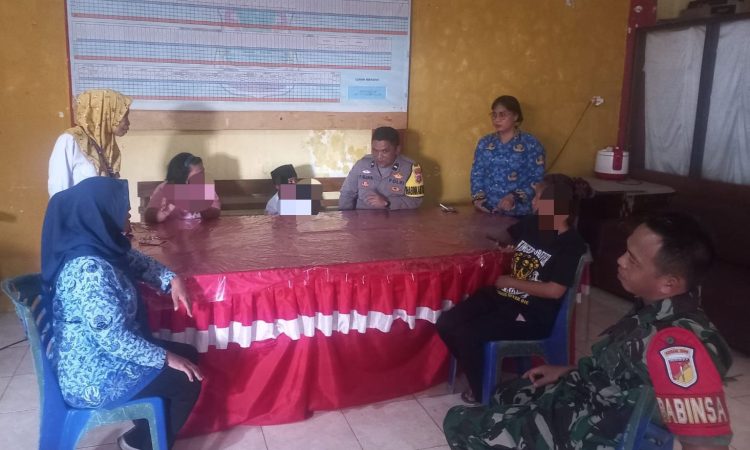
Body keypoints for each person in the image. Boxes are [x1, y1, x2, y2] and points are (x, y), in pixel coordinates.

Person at [443, 212, 733, 450]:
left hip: (590, 434)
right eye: (626, 251)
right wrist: (569, 370)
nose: (620, 260)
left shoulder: (680, 346)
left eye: (633, 260)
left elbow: (706, 446)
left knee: (459, 423)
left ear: (669, 283)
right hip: (582, 397)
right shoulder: (654, 307)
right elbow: (627, 371)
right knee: (505, 394)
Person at [42, 177, 203, 450]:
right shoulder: (90, 270)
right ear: (102, 215)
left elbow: (137, 261)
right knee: (186, 380)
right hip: (93, 373)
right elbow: (114, 339)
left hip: (98, 355)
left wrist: (171, 279)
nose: (128, 215)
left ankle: (146, 432)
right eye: (124, 210)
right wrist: (165, 357)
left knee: (188, 356)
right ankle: (141, 443)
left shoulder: (98, 246)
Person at [437, 175, 586, 403]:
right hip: (504, 297)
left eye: (538, 198)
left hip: (533, 312)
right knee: (447, 322)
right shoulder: (533, 223)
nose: (533, 202)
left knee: (468, 334)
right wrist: (505, 245)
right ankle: (480, 372)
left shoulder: (571, 244)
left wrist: (512, 282)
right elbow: (507, 237)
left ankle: (484, 395)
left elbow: (555, 290)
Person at [48, 89, 132, 197]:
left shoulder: (109, 147)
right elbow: (58, 191)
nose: (128, 122)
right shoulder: (69, 141)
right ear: (106, 113)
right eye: (124, 115)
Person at [470, 95, 545, 216]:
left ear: (515, 116)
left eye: (502, 115)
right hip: (488, 211)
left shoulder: (531, 144)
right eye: (494, 115)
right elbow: (477, 174)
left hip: (519, 213)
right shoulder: (484, 143)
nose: (497, 119)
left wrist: (513, 197)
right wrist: (478, 199)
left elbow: (537, 179)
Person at [339, 126, 424, 210]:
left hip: (394, 217)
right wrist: (345, 216)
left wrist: (387, 202)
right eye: (375, 150)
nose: (379, 156)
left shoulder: (411, 169)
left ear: (397, 149)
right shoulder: (361, 165)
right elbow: (347, 193)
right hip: (362, 216)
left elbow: (416, 201)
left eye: (384, 151)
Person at [144, 152, 221, 223]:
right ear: (181, 177)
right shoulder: (164, 189)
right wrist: (163, 213)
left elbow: (216, 212)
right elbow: (149, 216)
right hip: (171, 232)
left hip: (201, 232)